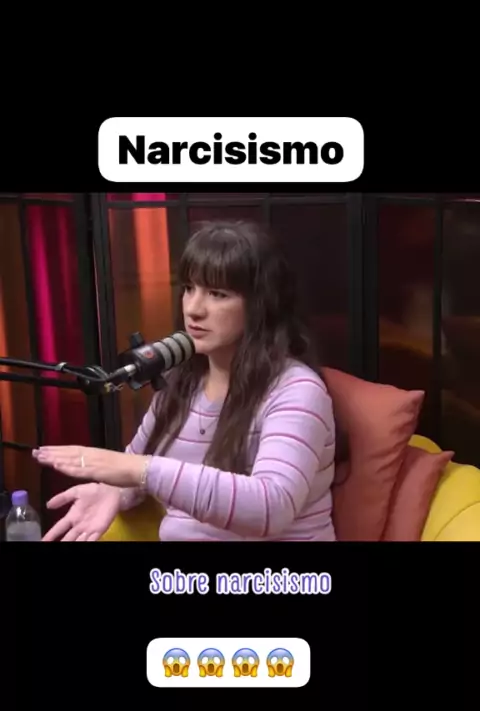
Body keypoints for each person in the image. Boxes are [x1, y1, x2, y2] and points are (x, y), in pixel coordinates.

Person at [33, 220, 338, 541]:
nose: (193, 309)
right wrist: (114, 491)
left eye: (217, 294)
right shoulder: (183, 381)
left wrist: (138, 469)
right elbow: (138, 469)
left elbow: (271, 508)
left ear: (261, 305)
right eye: (189, 289)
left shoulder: (297, 390)